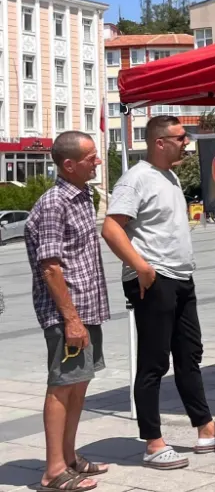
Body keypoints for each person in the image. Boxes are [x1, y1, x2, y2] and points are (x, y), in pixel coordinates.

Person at [103, 116, 215, 469]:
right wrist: (141, 267)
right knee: (154, 361)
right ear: (159, 142)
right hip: (154, 279)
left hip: (181, 277)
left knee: (189, 355)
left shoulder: (168, 176)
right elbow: (111, 227)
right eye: (181, 137)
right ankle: (153, 442)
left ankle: (206, 429)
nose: (187, 142)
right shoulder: (136, 178)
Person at [25, 132, 110, 491]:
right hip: (67, 314)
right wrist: (71, 319)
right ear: (69, 164)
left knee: (78, 384)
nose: (98, 162)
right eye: (91, 157)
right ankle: (54, 469)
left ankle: (70, 457)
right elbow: (50, 267)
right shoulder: (54, 203)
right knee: (61, 387)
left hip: (87, 309)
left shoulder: (82, 197)